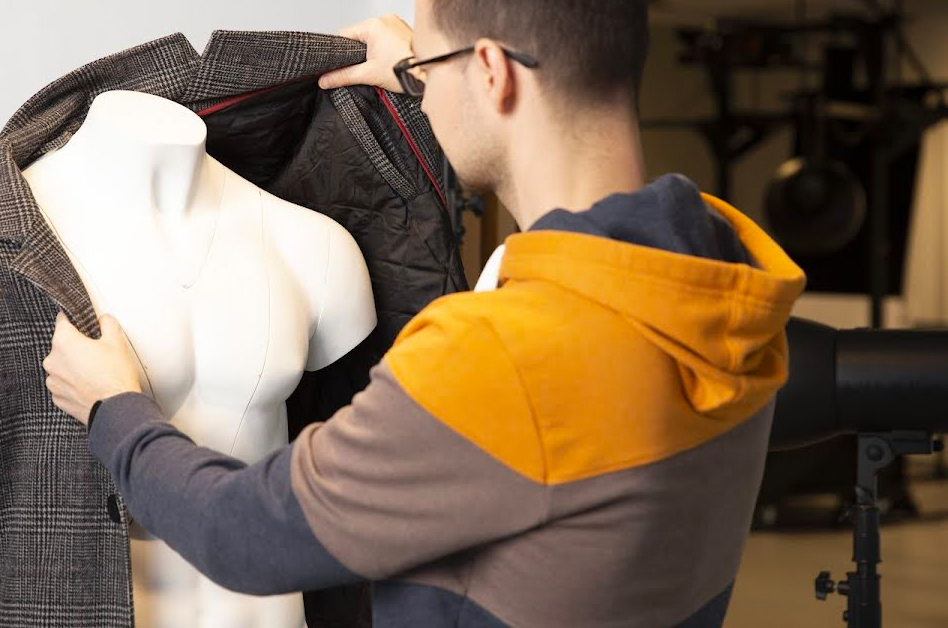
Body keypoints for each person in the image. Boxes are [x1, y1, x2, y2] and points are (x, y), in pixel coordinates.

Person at [41, 1, 807, 626]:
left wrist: (116, 409)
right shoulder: (716, 275)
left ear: (492, 72)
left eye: (431, 68)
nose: (421, 83)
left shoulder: (499, 357)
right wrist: (430, 70)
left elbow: (244, 535)